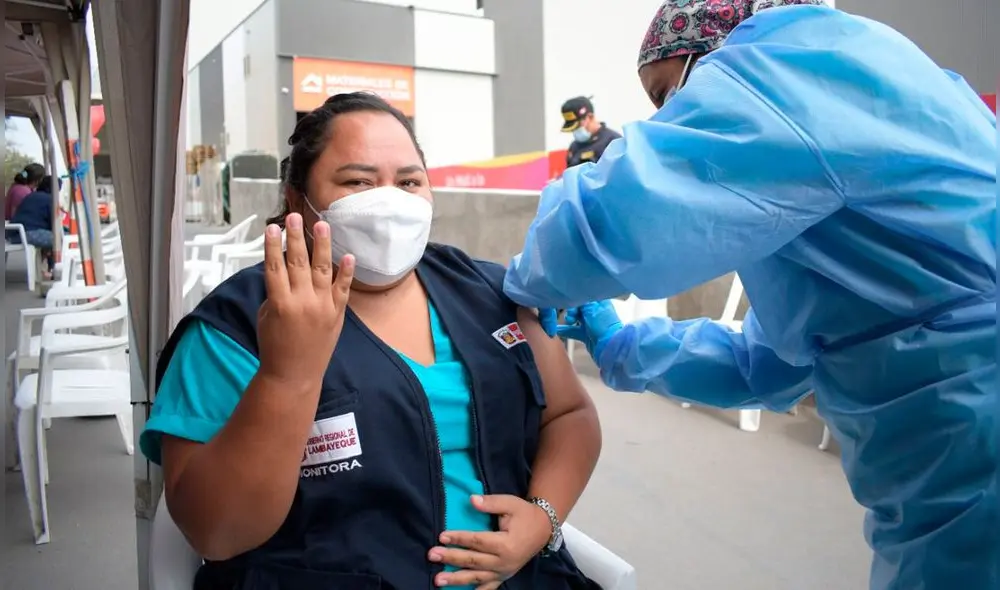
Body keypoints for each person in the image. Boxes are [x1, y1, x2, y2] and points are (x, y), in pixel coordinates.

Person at [502, 2, 997, 589]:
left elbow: (612, 222)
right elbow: (768, 364)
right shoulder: (831, 173)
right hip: (939, 448)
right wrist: (620, 343)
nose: (669, 118)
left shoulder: (797, 65)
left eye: (669, 96)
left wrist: (517, 277)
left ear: (718, 56)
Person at [140, 92, 603, 590]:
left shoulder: (488, 292)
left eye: (409, 181)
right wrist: (287, 375)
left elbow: (570, 414)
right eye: (358, 181)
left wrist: (542, 519)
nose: (390, 201)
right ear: (298, 201)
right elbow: (215, 532)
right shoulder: (232, 327)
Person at [10, 175, 61, 278]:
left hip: (16, 233)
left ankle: (44, 268)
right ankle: (53, 269)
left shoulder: (31, 196)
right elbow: (54, 224)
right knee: (58, 240)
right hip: (28, 233)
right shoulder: (50, 199)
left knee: (50, 237)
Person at [559, 97, 621, 168]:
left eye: (578, 126)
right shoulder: (574, 146)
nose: (575, 131)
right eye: (572, 129)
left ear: (590, 117)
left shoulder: (613, 141)